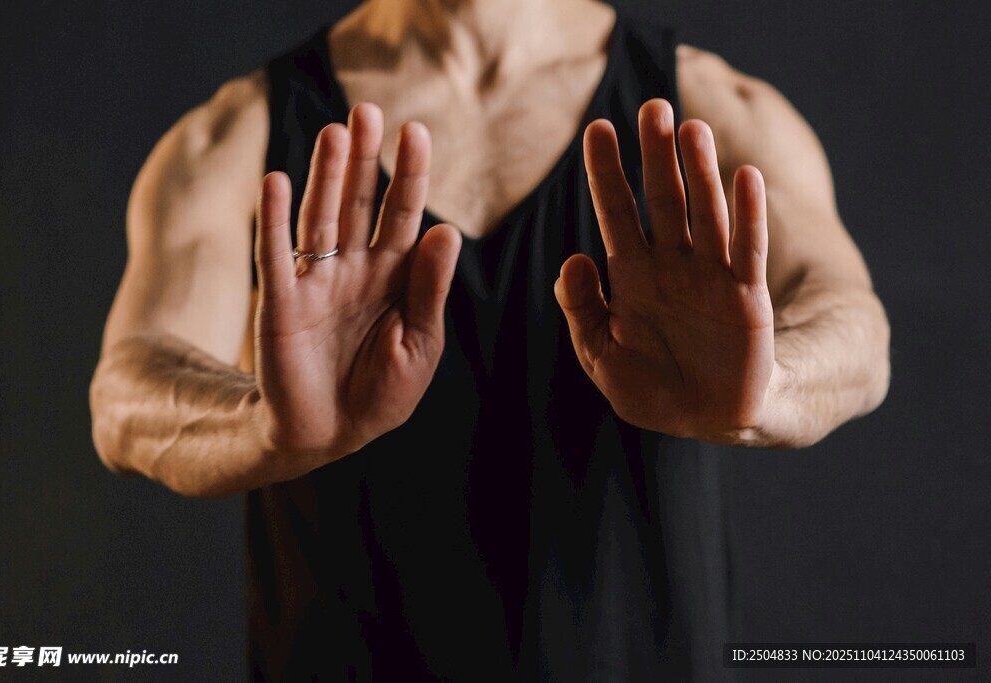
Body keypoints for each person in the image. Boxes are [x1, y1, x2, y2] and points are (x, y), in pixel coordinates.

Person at [89, 0, 890, 679]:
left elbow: (854, 325)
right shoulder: (237, 136)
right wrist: (258, 423)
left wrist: (770, 386)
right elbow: (127, 389)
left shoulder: (720, 110)